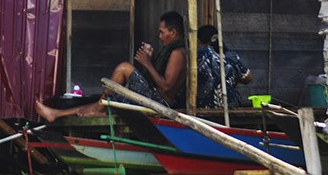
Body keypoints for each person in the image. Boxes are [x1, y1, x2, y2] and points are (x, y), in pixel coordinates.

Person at [35, 11, 187, 122]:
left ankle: (89, 110)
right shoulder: (172, 50)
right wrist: (151, 61)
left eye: (162, 32)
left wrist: (147, 63)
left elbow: (166, 87)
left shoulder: (177, 53)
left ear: (173, 32)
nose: (159, 37)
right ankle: (56, 113)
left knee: (124, 68)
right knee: (102, 101)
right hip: (154, 96)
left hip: (161, 103)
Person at [197, 25, 253, 108]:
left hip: (205, 108)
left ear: (200, 41)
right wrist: (232, 76)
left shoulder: (200, 55)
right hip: (230, 107)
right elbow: (248, 77)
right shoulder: (231, 56)